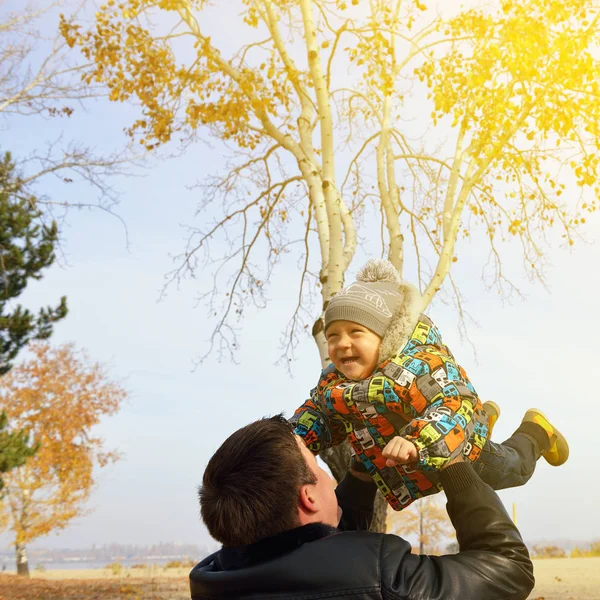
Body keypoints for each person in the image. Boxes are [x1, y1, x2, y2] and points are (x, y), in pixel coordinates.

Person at [293, 259, 569, 510]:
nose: (341, 343)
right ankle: (482, 418)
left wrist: (418, 440)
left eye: (356, 332)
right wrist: (290, 438)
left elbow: (455, 402)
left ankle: (535, 432)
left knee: (515, 469)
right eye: (332, 335)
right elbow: (320, 415)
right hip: (396, 460)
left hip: (451, 445)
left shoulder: (420, 365)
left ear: (386, 336)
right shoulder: (334, 383)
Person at [190, 414, 535, 600]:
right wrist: (455, 466)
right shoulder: (380, 577)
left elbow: (322, 557)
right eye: (319, 468)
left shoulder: (214, 581)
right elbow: (509, 569)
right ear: (308, 498)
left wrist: (360, 472)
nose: (328, 479)